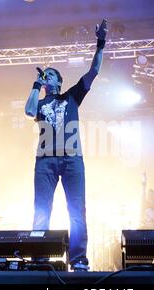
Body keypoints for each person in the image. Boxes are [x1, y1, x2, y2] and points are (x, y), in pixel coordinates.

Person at [24, 20, 108, 271]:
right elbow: (29, 110)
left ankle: (79, 259)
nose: (45, 76)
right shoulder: (40, 103)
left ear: (59, 81)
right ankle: (39, 255)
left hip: (72, 158)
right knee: (41, 207)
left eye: (50, 74)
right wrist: (36, 85)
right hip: (46, 160)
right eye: (44, 74)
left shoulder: (71, 96)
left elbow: (94, 71)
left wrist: (101, 44)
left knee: (76, 209)